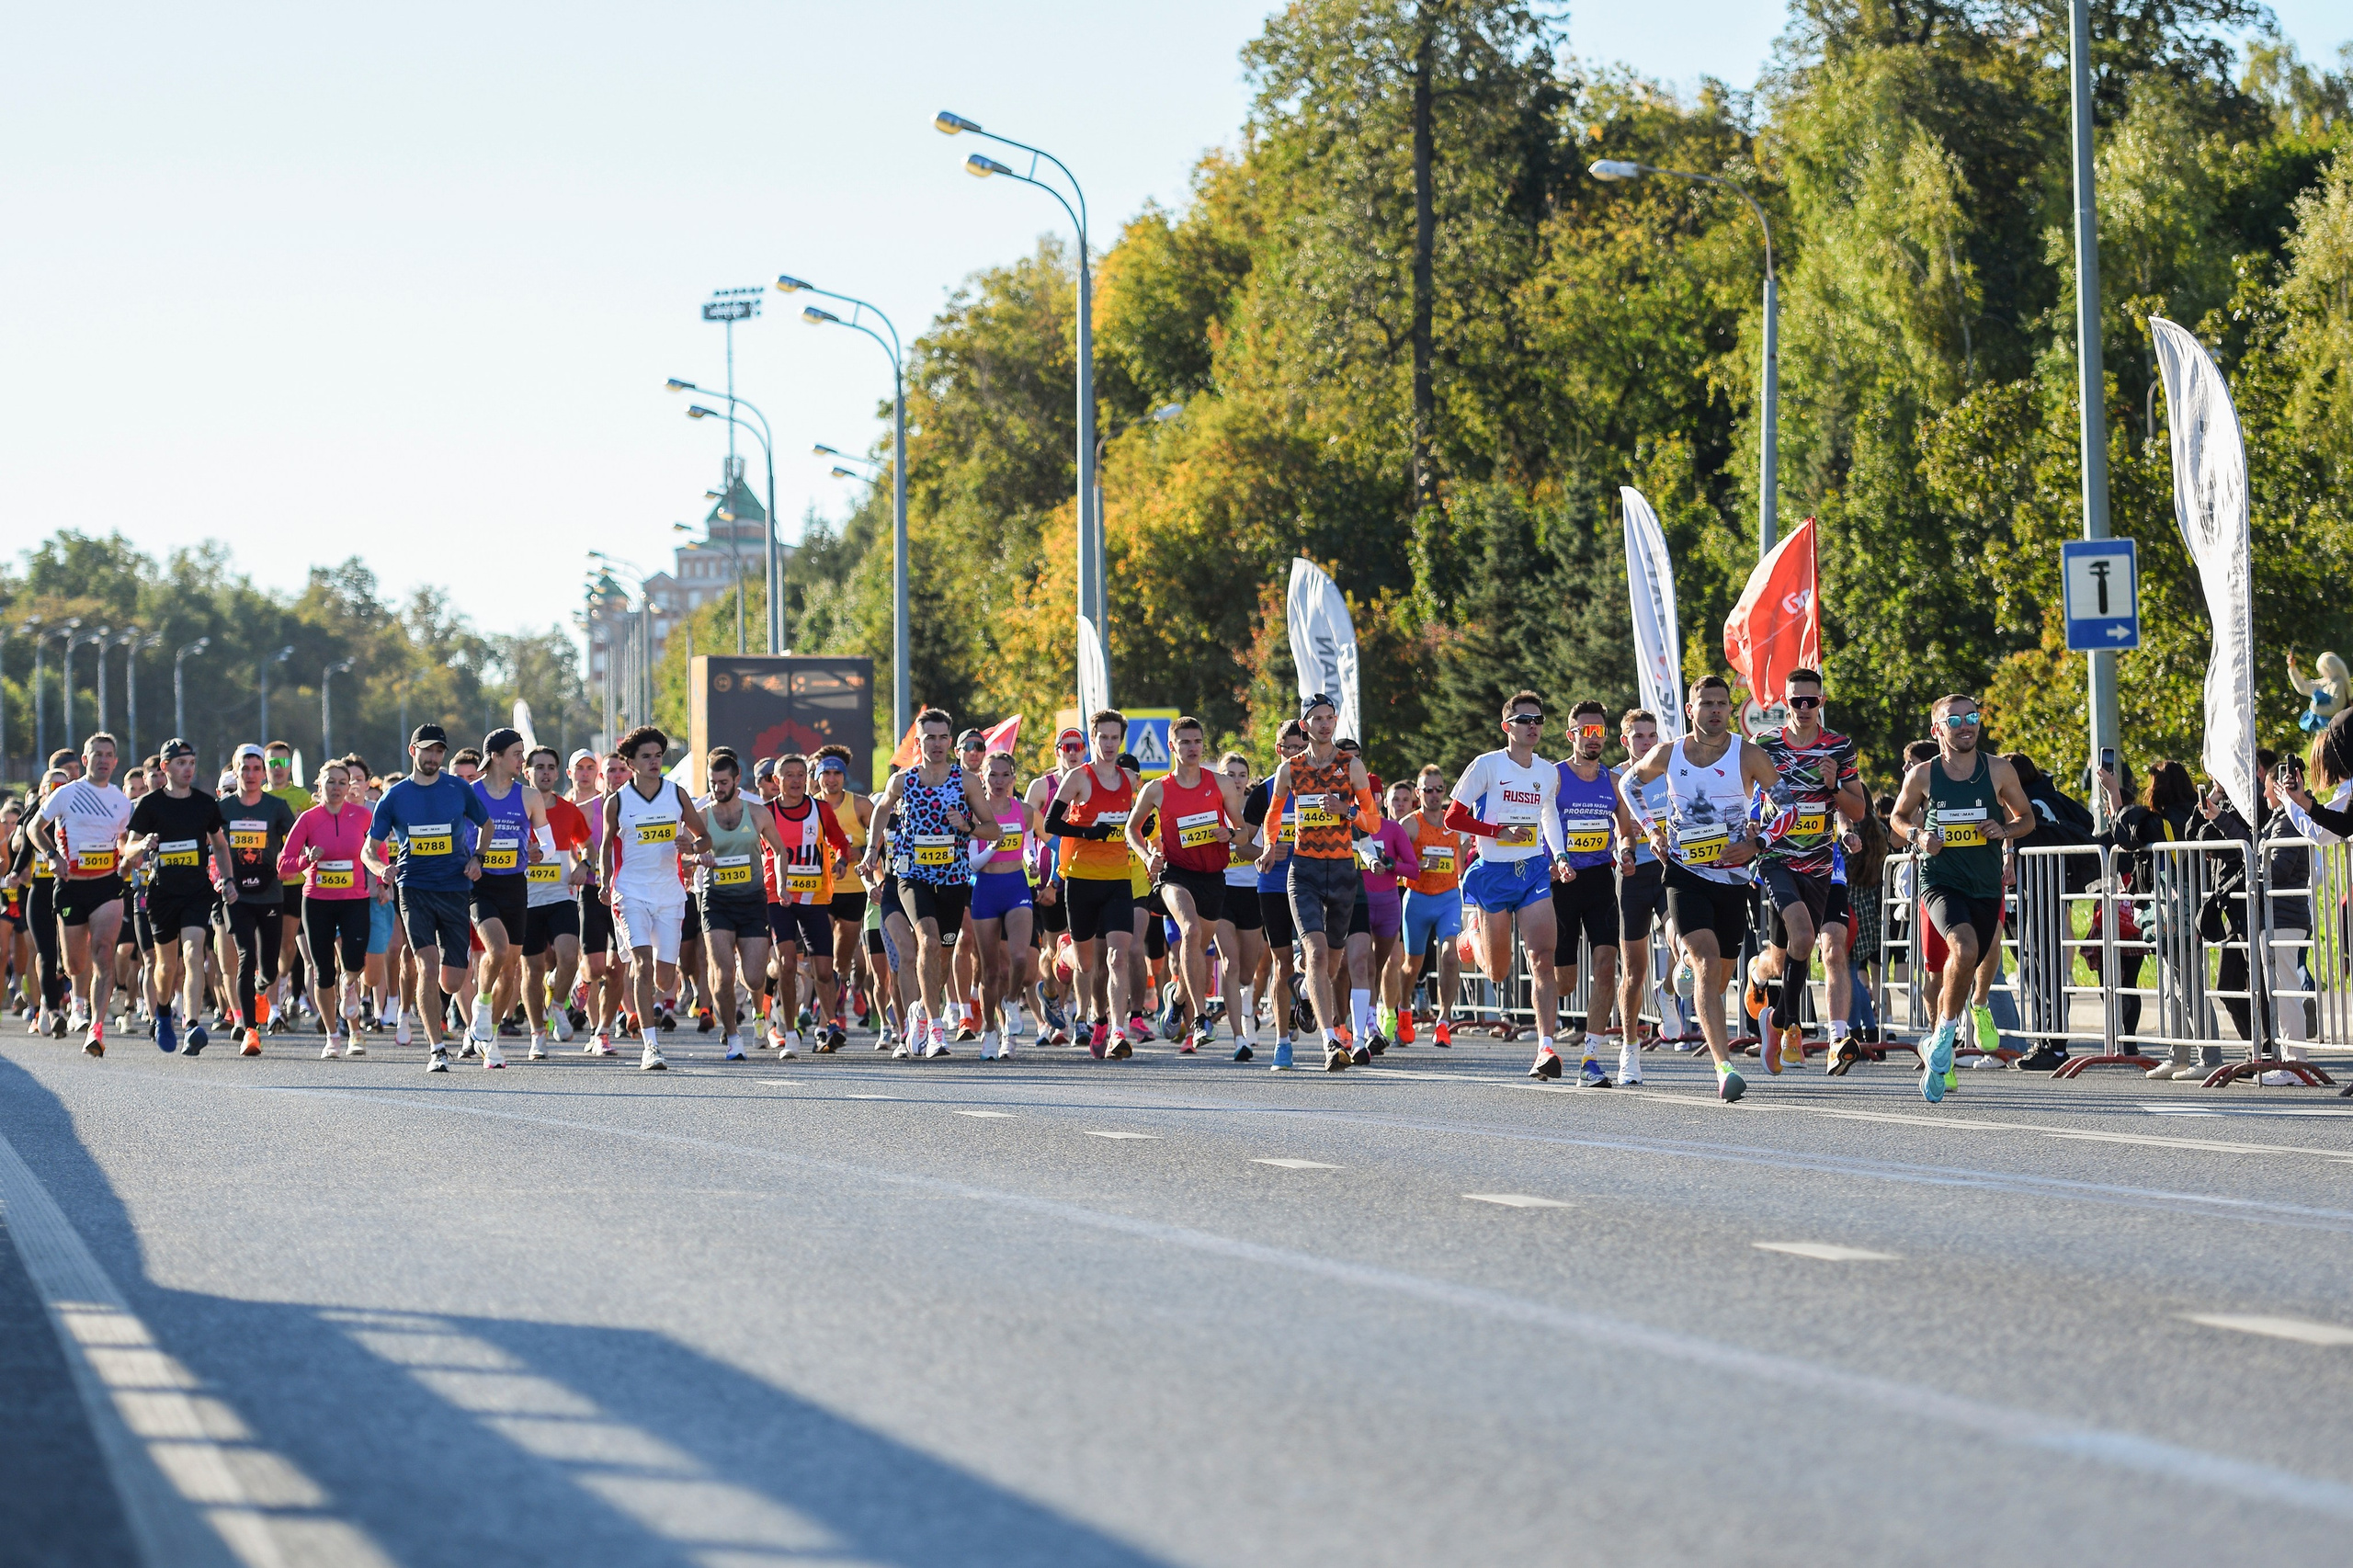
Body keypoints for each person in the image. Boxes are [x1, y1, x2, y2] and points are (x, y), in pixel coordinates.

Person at [1619, 676, 1786, 1102]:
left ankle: (1674, 984)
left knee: (1720, 975)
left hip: (1732, 878)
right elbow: (1628, 785)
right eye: (1706, 703)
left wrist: (1757, 842)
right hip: (1684, 873)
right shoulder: (1668, 754)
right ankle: (1723, 1066)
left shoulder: (1748, 754)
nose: (1715, 710)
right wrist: (1652, 832)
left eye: (1721, 704)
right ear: (1690, 711)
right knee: (1708, 964)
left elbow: (1788, 805)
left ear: (1730, 710)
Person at [1888, 694, 2035, 1103]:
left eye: (1972, 717)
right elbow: (1897, 819)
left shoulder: (1999, 769)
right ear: (1937, 730)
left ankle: (1970, 1010)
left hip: (1985, 884)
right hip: (1940, 881)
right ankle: (1945, 1036)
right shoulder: (1923, 775)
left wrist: (2003, 830)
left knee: (1983, 953)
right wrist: (1919, 837)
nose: (1965, 725)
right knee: (1964, 947)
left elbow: (2026, 818)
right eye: (1954, 720)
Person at [1445, 691, 1577, 1082]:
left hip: (1534, 870)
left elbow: (1549, 816)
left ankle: (1546, 1047)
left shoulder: (1547, 772)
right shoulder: (1487, 765)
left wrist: (1561, 856)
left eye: (1538, 719)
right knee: (1499, 973)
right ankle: (1471, 940)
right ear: (1507, 727)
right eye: (1524, 720)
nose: (1533, 725)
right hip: (1493, 872)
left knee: (1542, 958)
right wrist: (1495, 830)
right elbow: (1454, 817)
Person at [1746, 669, 1867, 1074]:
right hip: (1777, 858)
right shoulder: (1765, 745)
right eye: (1795, 701)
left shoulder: (1839, 746)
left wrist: (1834, 789)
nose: (1802, 709)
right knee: (1801, 939)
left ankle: (1812, 1031)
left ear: (1822, 701)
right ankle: (1783, 1020)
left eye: (1810, 701)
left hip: (1821, 864)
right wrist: (1748, 831)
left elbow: (1858, 810)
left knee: (1808, 953)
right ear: (1785, 700)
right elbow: (1746, 796)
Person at [1261, 695, 1386, 1072]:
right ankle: (1331, 1041)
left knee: (1331, 966)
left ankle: (1304, 990)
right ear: (1305, 725)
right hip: (1306, 871)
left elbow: (1374, 822)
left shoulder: (1353, 767)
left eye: (1330, 717)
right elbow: (1272, 815)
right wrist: (1269, 846)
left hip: (1344, 871)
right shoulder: (1290, 769)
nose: (1324, 724)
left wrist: (1346, 811)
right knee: (1314, 954)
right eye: (1316, 718)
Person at [865, 709, 998, 1060]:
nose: (936, 744)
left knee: (942, 954)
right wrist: (871, 848)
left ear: (950, 743)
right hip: (913, 876)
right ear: (918, 744)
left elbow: (993, 830)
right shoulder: (904, 781)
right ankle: (937, 1032)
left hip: (953, 879)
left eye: (942, 738)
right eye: (930, 738)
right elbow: (881, 809)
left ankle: (920, 1013)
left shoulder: (966, 782)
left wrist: (966, 826)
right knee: (926, 939)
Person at [365, 724, 494, 1071]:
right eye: (428, 750)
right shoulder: (395, 797)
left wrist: (477, 857)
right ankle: (436, 1048)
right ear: (413, 751)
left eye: (439, 751)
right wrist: (382, 869)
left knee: (452, 980)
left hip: (454, 888)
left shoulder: (457, 789)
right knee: (426, 965)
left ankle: (437, 1010)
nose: (434, 757)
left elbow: (488, 824)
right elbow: (368, 849)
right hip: (414, 888)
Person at [1126, 716, 1245, 1055]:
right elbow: (1131, 829)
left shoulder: (1220, 784)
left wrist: (1231, 835)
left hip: (1212, 878)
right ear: (1172, 746)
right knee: (1190, 931)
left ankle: (1176, 998)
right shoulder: (1157, 789)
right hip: (1175, 874)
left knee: (1201, 965)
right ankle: (1201, 1019)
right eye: (1185, 742)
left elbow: (1244, 831)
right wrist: (1147, 856)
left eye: (1197, 742)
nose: (1192, 748)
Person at [597, 725, 710, 1071]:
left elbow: (704, 838)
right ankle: (651, 1047)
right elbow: (605, 845)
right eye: (646, 756)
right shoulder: (616, 801)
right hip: (630, 892)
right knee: (641, 965)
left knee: (665, 979)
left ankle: (657, 1007)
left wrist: (692, 847)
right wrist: (605, 881)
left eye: (658, 756)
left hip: (670, 894)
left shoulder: (676, 795)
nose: (653, 762)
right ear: (630, 762)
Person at [120, 738, 236, 1056]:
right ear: (165, 767)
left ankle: (192, 1025)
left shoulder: (204, 804)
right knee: (166, 966)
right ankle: (161, 1012)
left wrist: (227, 879)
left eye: (192, 763)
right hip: (161, 894)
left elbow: (221, 845)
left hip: (196, 891)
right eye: (181, 763)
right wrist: (142, 847)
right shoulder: (150, 805)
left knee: (193, 953)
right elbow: (128, 847)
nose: (188, 769)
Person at [28, 733, 139, 1054]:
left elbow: (123, 841)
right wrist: (53, 856)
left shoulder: (120, 800)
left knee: (104, 952)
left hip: (106, 885)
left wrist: (135, 852)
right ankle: (75, 989)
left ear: (115, 762)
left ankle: (96, 1028)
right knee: (76, 964)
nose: (103, 760)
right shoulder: (66, 794)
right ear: (86, 761)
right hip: (70, 886)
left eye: (109, 754)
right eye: (97, 754)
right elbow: (36, 827)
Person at [1045, 710, 1144, 1058]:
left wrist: (1140, 831)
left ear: (1121, 740)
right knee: (1088, 965)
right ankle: (1064, 950)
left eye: (1114, 738)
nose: (1108, 744)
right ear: (1093, 738)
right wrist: (1088, 831)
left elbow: (1135, 823)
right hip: (1082, 879)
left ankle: (1118, 1030)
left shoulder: (1129, 780)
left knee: (1118, 957)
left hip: (1118, 878)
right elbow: (1051, 822)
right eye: (1102, 737)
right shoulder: (1078, 778)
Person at [692, 747, 802, 1061]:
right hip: (716, 902)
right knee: (724, 974)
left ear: (736, 780)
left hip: (752, 901)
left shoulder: (756, 813)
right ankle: (732, 1037)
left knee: (754, 977)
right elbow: (688, 852)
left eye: (723, 782)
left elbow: (780, 850)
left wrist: (781, 884)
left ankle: (753, 998)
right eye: (713, 783)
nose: (718, 788)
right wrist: (700, 857)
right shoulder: (702, 817)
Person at [464, 729, 554, 1063]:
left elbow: (547, 842)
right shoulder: (469, 794)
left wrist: (539, 852)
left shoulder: (529, 797)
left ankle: (490, 1038)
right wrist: (469, 858)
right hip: (480, 884)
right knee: (497, 950)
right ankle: (482, 1005)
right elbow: (456, 835)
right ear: (497, 756)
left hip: (515, 885)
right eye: (517, 753)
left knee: (511, 969)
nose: (523, 760)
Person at [1552, 700, 1630, 1085]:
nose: (1595, 737)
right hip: (1560, 883)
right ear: (1573, 735)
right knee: (1564, 982)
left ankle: (1591, 1058)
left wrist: (1628, 850)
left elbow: (1626, 828)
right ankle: (1548, 1046)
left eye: (1600, 731)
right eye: (1588, 731)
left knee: (1604, 966)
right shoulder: (1553, 777)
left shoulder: (1613, 781)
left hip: (1600, 878)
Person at [278, 759, 376, 1058]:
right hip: (318, 901)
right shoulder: (308, 819)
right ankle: (334, 1036)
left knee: (354, 963)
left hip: (354, 899)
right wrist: (307, 861)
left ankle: (352, 1002)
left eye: (342, 782)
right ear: (319, 786)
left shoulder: (362, 817)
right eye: (330, 782)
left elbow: (378, 850)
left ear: (350, 788)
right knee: (322, 971)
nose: (336, 788)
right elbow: (284, 866)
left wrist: (379, 877)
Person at [761, 752, 854, 1055]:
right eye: (789, 775)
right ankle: (789, 1033)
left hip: (815, 897)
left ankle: (827, 1027)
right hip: (780, 897)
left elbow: (841, 842)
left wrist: (840, 861)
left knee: (825, 972)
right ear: (777, 781)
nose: (796, 780)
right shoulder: (766, 813)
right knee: (787, 964)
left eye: (801, 774)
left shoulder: (821, 810)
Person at [1241, 721, 1311, 1068]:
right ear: (1278, 750)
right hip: (1273, 887)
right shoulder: (1265, 792)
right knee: (1282, 963)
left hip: (1313, 882)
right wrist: (1265, 853)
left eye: (1302, 747)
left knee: (1319, 956)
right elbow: (1243, 845)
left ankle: (1307, 991)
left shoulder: (1322, 786)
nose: (1296, 754)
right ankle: (1283, 1042)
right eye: (1289, 748)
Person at [1610, 710, 1673, 1085]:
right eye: (1639, 737)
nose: (1647, 743)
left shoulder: (1668, 769)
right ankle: (1630, 1048)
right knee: (1633, 970)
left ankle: (1667, 990)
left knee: (1683, 944)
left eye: (1652, 736)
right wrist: (1624, 845)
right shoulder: (1618, 778)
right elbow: (1610, 831)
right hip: (1632, 871)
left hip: (1669, 867)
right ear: (1626, 741)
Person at [971, 749, 1044, 1060]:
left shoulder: (1024, 811)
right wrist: (994, 847)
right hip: (986, 888)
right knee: (990, 973)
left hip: (1016, 887)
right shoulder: (975, 812)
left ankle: (1012, 1001)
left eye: (1005, 775)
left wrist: (1032, 863)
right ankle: (990, 1032)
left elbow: (1028, 844)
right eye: (993, 775)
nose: (999, 781)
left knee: (1018, 958)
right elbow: (973, 862)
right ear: (983, 778)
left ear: (1014, 778)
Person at [522, 745, 593, 1059]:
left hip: (561, 896)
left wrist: (584, 865)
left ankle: (558, 1005)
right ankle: (537, 1034)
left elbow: (588, 846)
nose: (546, 772)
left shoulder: (568, 810)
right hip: (525, 901)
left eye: (551, 767)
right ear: (528, 773)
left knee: (569, 957)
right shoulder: (516, 809)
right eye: (539, 767)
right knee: (533, 970)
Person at [1400, 765, 1469, 1050]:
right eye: (1428, 790)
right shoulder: (1410, 824)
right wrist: (1417, 866)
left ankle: (1443, 1022)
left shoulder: (1455, 821)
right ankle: (1404, 1011)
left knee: (1450, 956)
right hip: (1417, 899)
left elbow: (1461, 862)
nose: (1434, 795)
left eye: (1439, 789)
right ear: (1419, 793)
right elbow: (1396, 865)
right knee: (1412, 964)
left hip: (1448, 898)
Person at [813, 745, 875, 1040]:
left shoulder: (861, 806)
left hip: (853, 891)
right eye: (826, 773)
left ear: (844, 776)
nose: (832, 779)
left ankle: (845, 996)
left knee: (842, 960)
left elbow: (881, 844)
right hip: (818, 891)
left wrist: (858, 853)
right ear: (818, 776)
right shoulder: (809, 806)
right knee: (822, 956)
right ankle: (829, 1012)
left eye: (837, 773)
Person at [573, 749, 627, 1054]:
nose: (616, 775)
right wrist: (580, 866)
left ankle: (601, 1032)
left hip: (626, 894)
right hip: (593, 891)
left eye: (621, 770)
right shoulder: (585, 807)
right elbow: (573, 845)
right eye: (611, 770)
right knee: (594, 968)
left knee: (617, 970)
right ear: (601, 776)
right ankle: (581, 978)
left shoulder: (636, 806)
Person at [1214, 750, 1267, 1061]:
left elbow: (1261, 850)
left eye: (1241, 775)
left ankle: (1248, 1009)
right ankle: (1239, 1036)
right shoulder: (1211, 806)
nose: (1236, 780)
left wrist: (1236, 840)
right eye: (1229, 774)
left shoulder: (1255, 808)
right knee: (1230, 963)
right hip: (1220, 891)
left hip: (1252, 891)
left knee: (1248, 970)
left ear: (1248, 779)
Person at [262, 740, 314, 1034]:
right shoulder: (259, 796)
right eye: (273, 763)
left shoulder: (301, 797)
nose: (278, 769)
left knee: (286, 946)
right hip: (264, 882)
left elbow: (312, 835)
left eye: (283, 763)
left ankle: (282, 989)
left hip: (294, 881)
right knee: (266, 946)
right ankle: (272, 1007)